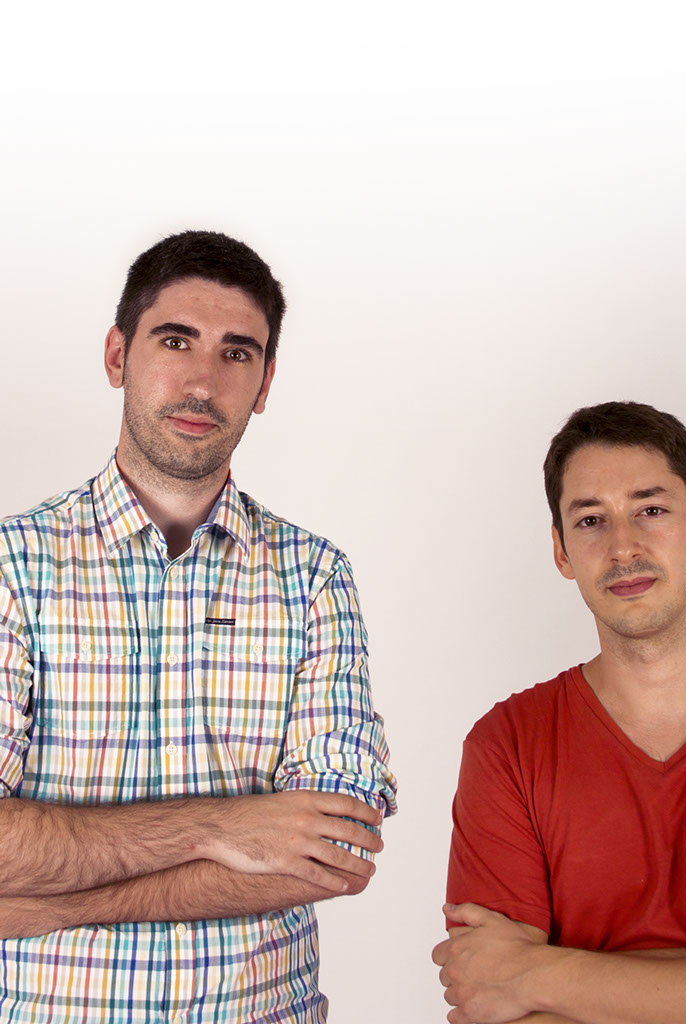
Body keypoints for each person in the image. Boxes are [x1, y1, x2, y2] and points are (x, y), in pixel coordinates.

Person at [0, 230, 397, 1024]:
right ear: (118, 355)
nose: (203, 383)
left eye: (236, 353)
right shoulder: (14, 567)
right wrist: (226, 826)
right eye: (176, 341)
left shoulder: (314, 576)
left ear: (266, 382)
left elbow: (338, 852)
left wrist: (61, 905)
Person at [433, 401, 686, 1024]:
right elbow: (489, 998)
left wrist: (540, 974)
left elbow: (511, 982)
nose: (623, 547)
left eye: (651, 510)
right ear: (562, 553)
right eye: (591, 520)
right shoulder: (507, 746)